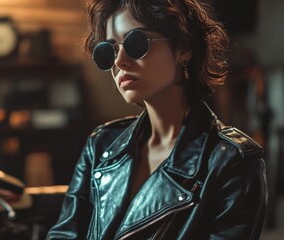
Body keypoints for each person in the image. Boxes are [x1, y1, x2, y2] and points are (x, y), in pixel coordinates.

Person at [47, 0, 267, 239]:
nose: (120, 61)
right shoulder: (100, 146)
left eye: (135, 43)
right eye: (108, 50)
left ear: (184, 48)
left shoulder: (232, 162)